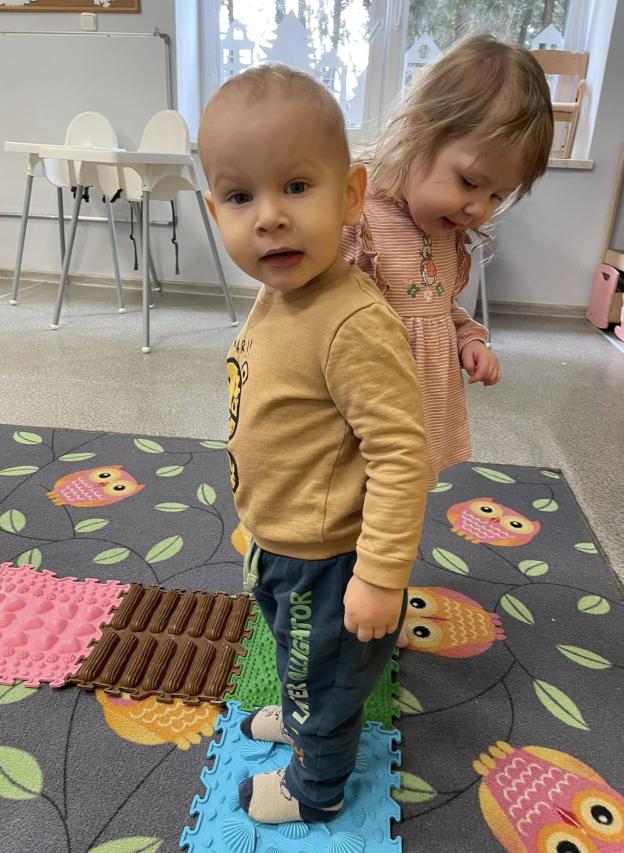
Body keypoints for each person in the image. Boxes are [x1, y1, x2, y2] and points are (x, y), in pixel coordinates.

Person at [198, 64, 429, 825]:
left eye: (296, 186)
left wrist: (381, 575)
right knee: (300, 656)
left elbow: (401, 455)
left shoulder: (351, 323)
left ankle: (317, 784)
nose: (269, 217)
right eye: (241, 197)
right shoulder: (279, 296)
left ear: (352, 195)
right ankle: (304, 718)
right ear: (215, 211)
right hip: (283, 541)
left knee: (320, 674)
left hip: (330, 560)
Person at [341, 34, 554, 486]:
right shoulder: (359, 218)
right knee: (349, 497)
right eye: (469, 182)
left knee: (405, 494)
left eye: (496, 195)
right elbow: (312, 309)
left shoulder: (447, 233)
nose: (478, 208)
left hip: (421, 410)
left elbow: (437, 308)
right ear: (418, 133)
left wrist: (468, 340)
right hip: (363, 406)